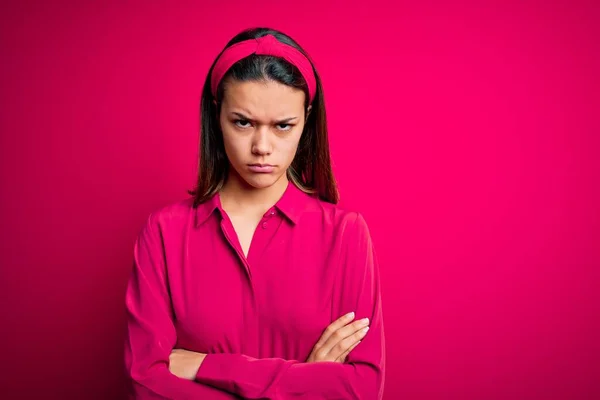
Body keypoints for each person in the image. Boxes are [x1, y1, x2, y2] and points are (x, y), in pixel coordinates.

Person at [124, 27, 386, 399]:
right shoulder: (163, 232)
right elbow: (145, 382)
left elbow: (360, 389)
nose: (262, 147)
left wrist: (203, 365)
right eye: (243, 122)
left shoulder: (346, 235)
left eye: (283, 126)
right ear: (217, 115)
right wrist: (303, 380)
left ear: (306, 121)